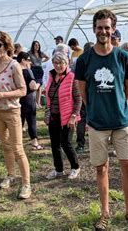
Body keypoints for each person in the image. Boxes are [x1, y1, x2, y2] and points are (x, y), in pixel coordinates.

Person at [75, 9, 128, 231]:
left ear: (113, 29)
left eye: (107, 27)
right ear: (94, 29)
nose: (103, 31)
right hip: (97, 124)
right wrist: (94, 109)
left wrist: (117, 105)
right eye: (99, 27)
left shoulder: (123, 57)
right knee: (101, 168)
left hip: (121, 121)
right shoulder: (85, 59)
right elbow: (83, 91)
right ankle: (105, 212)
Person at [0, 31, 31, 198]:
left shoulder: (14, 65)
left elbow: (23, 90)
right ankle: (11, 175)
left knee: (17, 148)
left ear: (6, 46)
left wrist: (2, 95)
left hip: (12, 111)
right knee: (5, 145)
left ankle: (26, 184)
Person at [45, 52, 82, 180]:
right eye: (55, 63)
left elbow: (78, 99)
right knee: (55, 144)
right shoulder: (51, 76)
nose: (58, 65)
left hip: (67, 116)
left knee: (66, 142)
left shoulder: (72, 77)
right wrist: (47, 112)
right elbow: (49, 96)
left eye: (61, 63)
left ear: (66, 64)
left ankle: (75, 167)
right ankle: (59, 169)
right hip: (54, 116)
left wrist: (73, 116)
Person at [17, 51, 43, 150]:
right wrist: (39, 82)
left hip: (17, 100)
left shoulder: (14, 71)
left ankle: (18, 143)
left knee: (20, 122)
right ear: (23, 60)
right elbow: (33, 87)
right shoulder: (27, 71)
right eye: (28, 60)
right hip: (28, 99)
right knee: (31, 121)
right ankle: (35, 142)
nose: (30, 62)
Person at [29, 40, 50, 108]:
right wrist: (30, 62)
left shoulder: (41, 53)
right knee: (34, 86)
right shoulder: (30, 53)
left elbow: (48, 57)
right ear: (33, 46)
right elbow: (26, 58)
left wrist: (42, 61)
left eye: (38, 45)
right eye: (35, 45)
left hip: (39, 69)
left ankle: (38, 103)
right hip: (33, 69)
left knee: (40, 86)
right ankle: (34, 102)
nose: (37, 46)